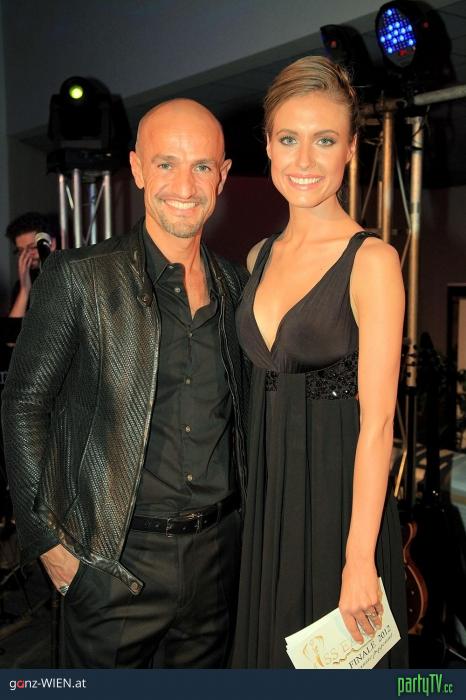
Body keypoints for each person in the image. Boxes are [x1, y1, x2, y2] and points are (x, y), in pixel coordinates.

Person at [1, 99, 248, 668]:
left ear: (223, 175)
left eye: (202, 166)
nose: (184, 186)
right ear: (137, 169)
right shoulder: (78, 277)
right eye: (166, 164)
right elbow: (23, 404)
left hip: (218, 560)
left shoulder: (239, 286)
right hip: (111, 562)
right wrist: (49, 545)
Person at [232, 56, 408, 668]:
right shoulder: (257, 257)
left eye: (325, 140)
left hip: (338, 516)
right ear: (268, 146)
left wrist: (359, 559)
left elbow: (378, 425)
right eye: (289, 139)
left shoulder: (372, 262)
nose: (304, 160)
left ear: (351, 149)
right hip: (268, 510)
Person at [5, 212, 57, 318]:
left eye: (33, 247)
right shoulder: (23, 283)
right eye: (21, 250)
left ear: (51, 244)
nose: (27, 256)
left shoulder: (70, 274)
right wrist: (24, 290)